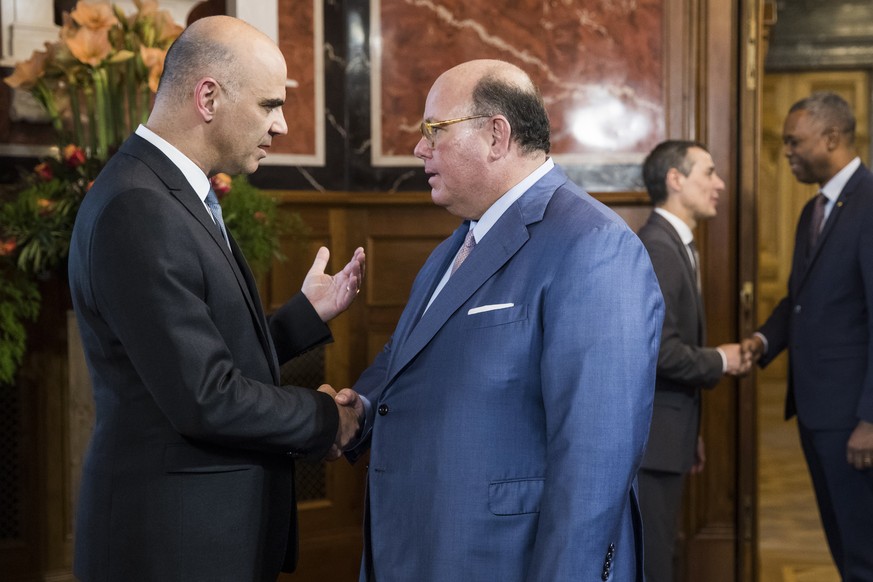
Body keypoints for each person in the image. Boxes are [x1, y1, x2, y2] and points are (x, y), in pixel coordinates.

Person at [334, 59, 664, 581]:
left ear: (496, 135)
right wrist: (360, 408)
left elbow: (595, 460)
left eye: (433, 131)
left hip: (500, 560)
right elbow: (404, 359)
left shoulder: (595, 246)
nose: (420, 148)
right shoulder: (453, 248)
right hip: (420, 548)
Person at [67, 16, 365, 582]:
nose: (280, 125)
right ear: (208, 96)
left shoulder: (166, 190)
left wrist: (304, 317)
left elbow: (198, 353)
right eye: (270, 105)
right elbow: (205, 395)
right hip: (172, 544)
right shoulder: (141, 207)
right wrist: (330, 418)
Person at [742, 91, 873, 580]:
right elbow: (799, 299)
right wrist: (761, 342)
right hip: (818, 411)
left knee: (863, 549)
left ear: (832, 138)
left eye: (795, 142)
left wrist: (870, 419)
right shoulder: (812, 210)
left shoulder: (869, 202)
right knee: (842, 539)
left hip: (853, 419)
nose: (787, 152)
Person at [636, 140, 750, 582]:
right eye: (709, 172)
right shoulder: (660, 248)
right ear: (675, 179)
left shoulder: (675, 243)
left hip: (670, 435)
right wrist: (721, 360)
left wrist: (690, 432)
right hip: (653, 444)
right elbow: (660, 351)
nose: (719, 184)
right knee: (653, 561)